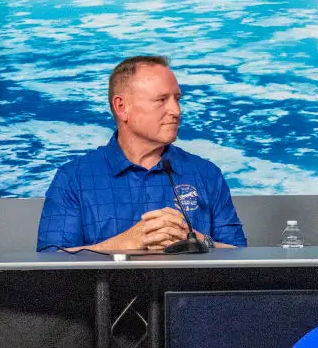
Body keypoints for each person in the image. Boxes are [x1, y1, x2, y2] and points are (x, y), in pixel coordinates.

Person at [37, 55, 247, 251]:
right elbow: (50, 262)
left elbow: (242, 257)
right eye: (161, 100)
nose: (176, 111)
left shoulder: (207, 174)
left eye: (177, 99)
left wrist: (197, 240)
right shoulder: (74, 178)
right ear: (122, 107)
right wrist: (123, 243)